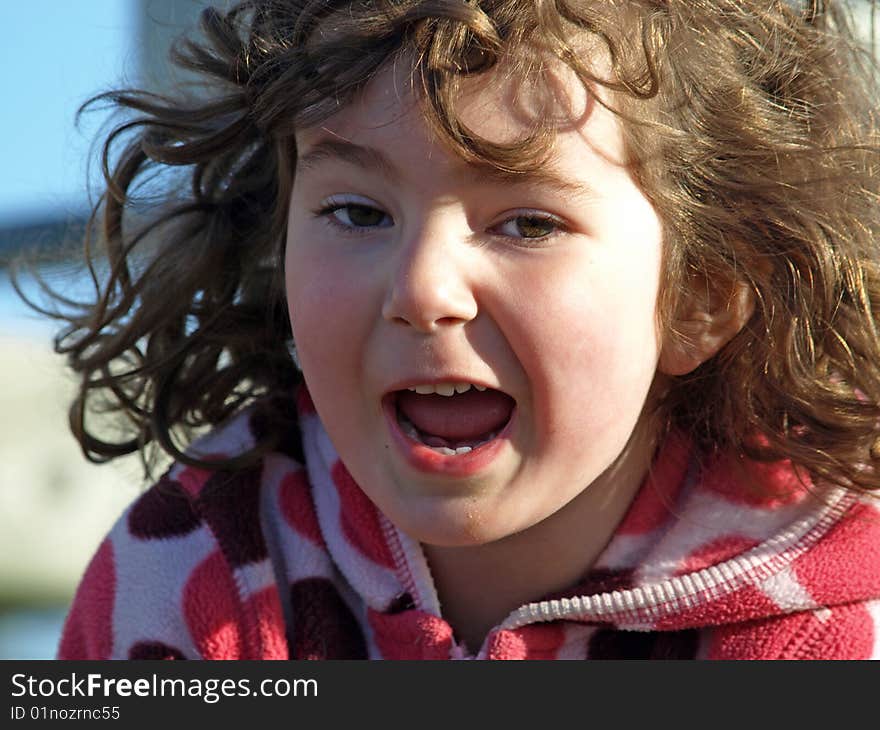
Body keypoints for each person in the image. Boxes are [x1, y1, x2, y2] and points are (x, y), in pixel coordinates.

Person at [52, 0, 880, 660]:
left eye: (526, 224)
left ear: (699, 295)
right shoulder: (194, 573)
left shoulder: (830, 628)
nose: (422, 288)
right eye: (356, 211)